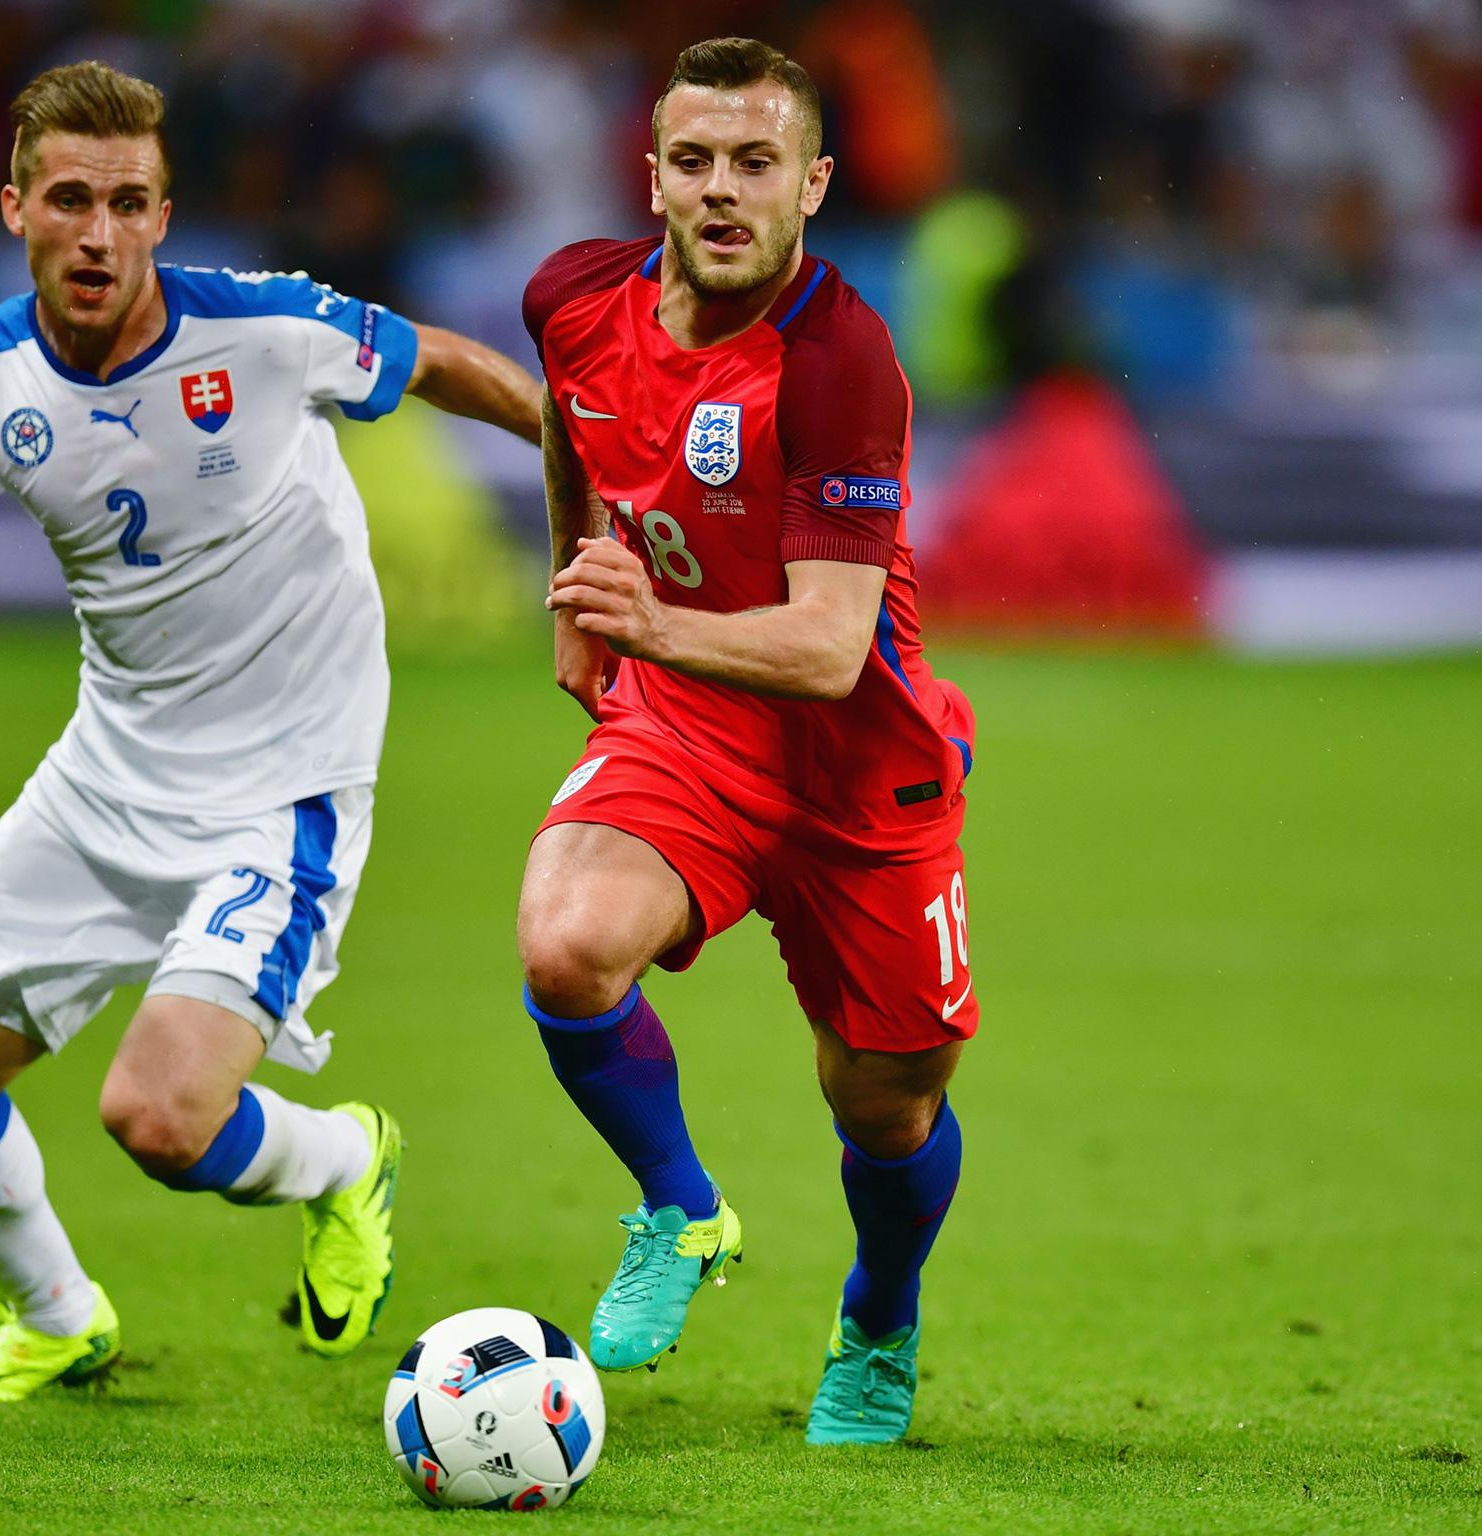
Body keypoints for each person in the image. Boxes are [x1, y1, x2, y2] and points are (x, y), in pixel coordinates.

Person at [0, 62, 541, 1405]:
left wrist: (587, 449)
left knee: (158, 1117)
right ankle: (60, 1317)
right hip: (108, 778)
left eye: (127, 203)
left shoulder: (261, 330)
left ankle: (348, 1160)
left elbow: (444, 363)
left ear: (164, 217)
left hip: (285, 791)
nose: (97, 233)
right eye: (68, 200)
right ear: (14, 207)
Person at [516, 37, 976, 1445]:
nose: (724, 192)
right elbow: (568, 421)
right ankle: (678, 1209)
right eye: (697, 162)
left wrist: (641, 619)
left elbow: (831, 649)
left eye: (757, 164)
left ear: (814, 185)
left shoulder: (841, 364)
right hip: (692, 724)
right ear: (652, 175)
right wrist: (576, 585)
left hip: (859, 772)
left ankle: (880, 1319)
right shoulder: (574, 297)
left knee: (885, 1105)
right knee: (568, 946)